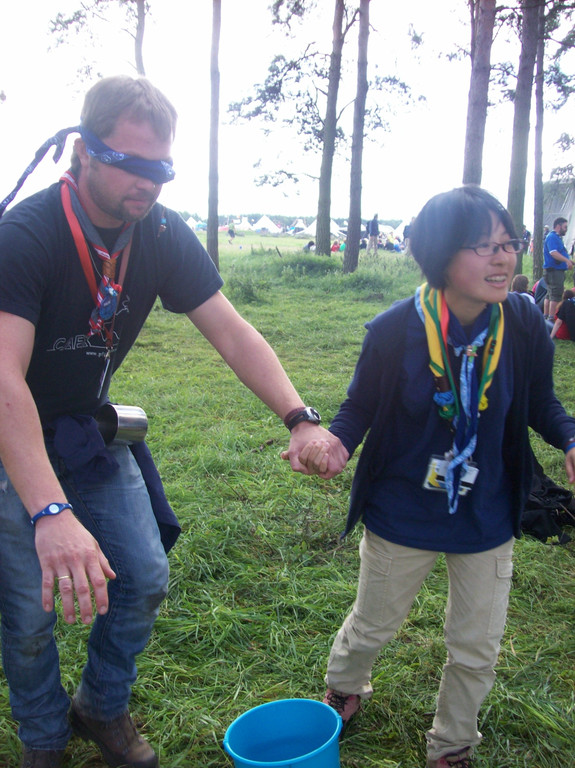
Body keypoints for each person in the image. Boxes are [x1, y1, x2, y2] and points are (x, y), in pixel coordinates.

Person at [0, 75, 330, 768]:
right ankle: (43, 736)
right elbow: (4, 379)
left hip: (87, 432)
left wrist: (298, 417)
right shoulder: (26, 235)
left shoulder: (158, 231)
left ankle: (101, 705)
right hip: (13, 435)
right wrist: (50, 512)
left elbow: (231, 331)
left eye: (162, 169)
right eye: (130, 164)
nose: (147, 184)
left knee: (144, 576)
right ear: (83, 151)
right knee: (30, 609)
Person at [292, 186, 575, 768]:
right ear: (442, 254)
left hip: (487, 511)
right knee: (373, 624)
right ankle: (345, 687)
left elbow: (542, 402)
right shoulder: (395, 329)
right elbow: (359, 408)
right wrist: (336, 444)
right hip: (403, 509)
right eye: (485, 246)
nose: (504, 258)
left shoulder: (523, 323)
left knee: (477, 646)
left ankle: (452, 744)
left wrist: (570, 438)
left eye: (510, 243)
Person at [543, 217, 573, 320]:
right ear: (558, 226)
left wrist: (569, 261)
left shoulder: (556, 237)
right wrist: (567, 261)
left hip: (553, 271)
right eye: (565, 227)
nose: (566, 229)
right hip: (554, 271)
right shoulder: (552, 237)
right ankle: (552, 319)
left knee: (550, 294)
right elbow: (553, 253)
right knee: (556, 295)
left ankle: (546, 317)